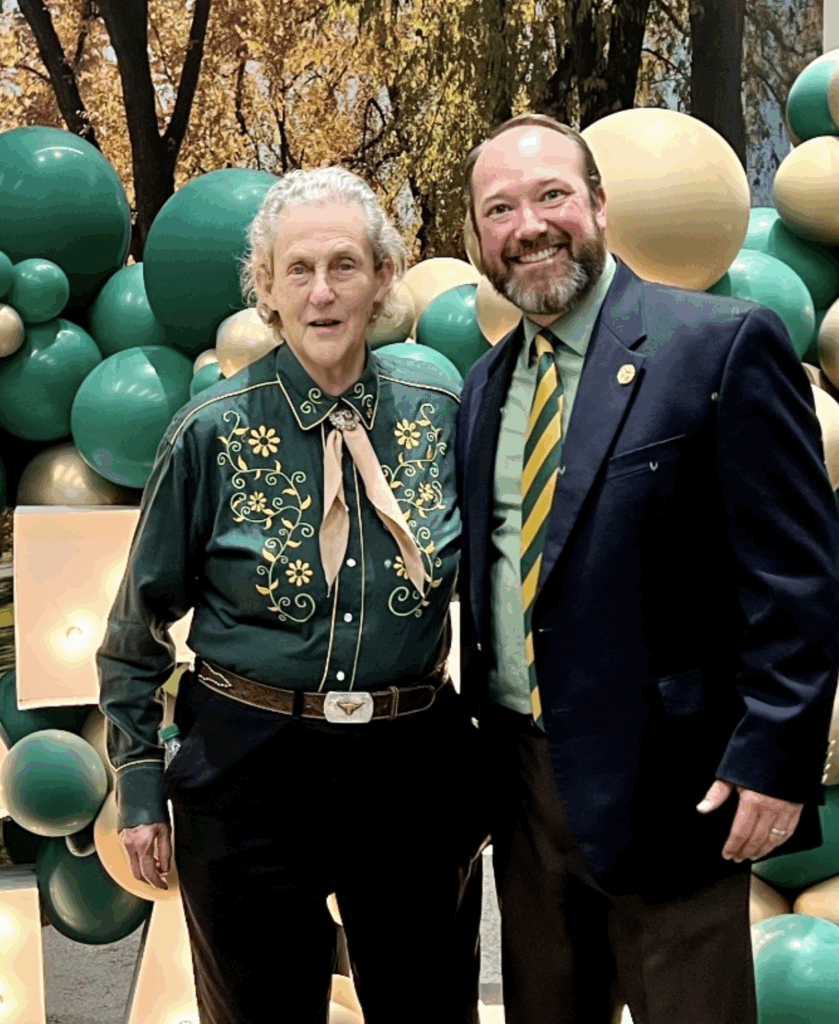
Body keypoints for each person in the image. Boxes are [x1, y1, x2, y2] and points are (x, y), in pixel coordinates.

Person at [455, 112, 839, 1024]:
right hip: (523, 789)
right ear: (477, 241)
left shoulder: (719, 344)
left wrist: (777, 757)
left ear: (597, 202)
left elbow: (797, 576)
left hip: (673, 791)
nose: (530, 225)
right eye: (499, 208)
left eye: (551, 195)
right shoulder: (484, 387)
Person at [97, 166, 483, 1024]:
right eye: (296, 270)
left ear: (384, 277)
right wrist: (138, 783)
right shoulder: (209, 432)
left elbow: (498, 592)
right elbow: (134, 629)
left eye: (344, 265)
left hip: (413, 768)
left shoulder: (443, 414)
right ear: (263, 287)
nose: (321, 292)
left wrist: (488, 760)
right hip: (246, 768)